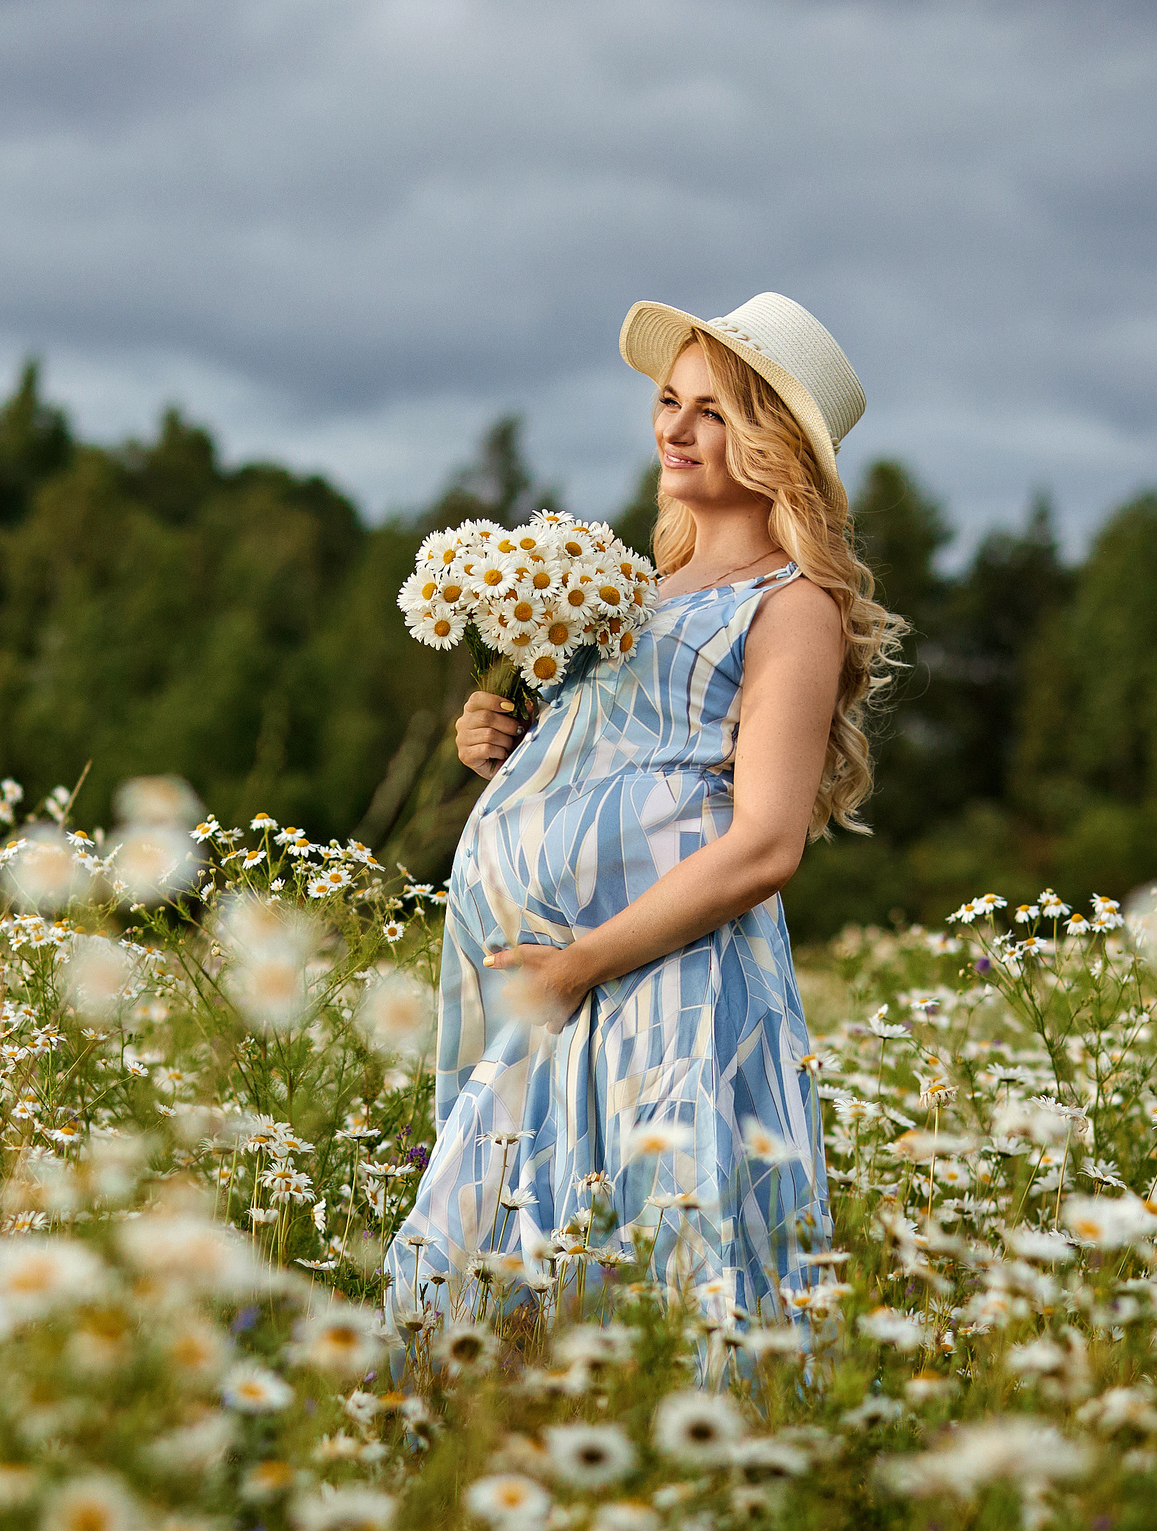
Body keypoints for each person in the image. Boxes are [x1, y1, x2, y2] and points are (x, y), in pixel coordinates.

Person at [382, 291, 904, 1337]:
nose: (674, 426)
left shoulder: (787, 604)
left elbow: (762, 843)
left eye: (712, 411)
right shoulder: (631, 589)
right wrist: (498, 745)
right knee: (477, 1281)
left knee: (657, 1271)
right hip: (548, 993)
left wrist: (581, 965)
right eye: (669, 400)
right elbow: (604, 765)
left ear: (775, 445)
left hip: (666, 992)